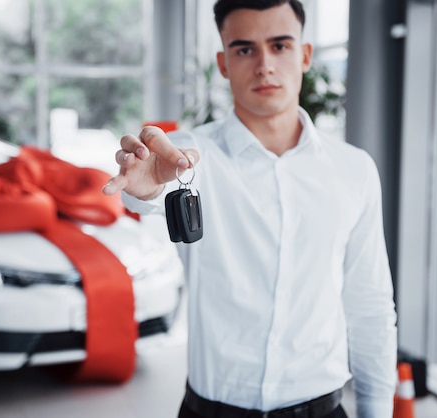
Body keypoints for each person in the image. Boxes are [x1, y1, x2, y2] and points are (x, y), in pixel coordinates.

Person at [103, 0, 397, 417]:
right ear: (223, 63)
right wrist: (146, 190)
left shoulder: (354, 170)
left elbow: (369, 304)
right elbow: (153, 189)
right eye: (245, 49)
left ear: (305, 55)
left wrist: (377, 409)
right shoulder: (192, 155)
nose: (263, 65)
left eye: (279, 46)